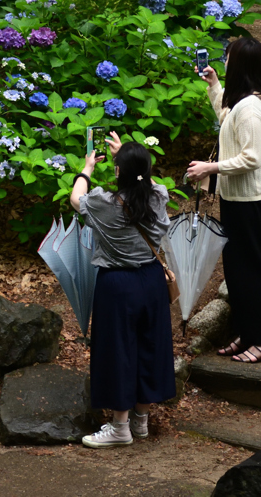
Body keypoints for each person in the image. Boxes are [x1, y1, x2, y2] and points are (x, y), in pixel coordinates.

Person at [70, 134, 175, 448]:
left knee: (118, 351)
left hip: (118, 285)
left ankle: (120, 427)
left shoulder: (105, 204)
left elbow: (76, 198)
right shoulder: (158, 196)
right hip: (152, 281)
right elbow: (147, 181)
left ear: (119, 173)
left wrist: (87, 168)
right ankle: (141, 420)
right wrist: (131, 161)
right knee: (149, 346)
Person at [186, 37, 261, 364]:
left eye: (227, 58)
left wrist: (210, 168)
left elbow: (252, 158)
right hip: (236, 197)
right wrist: (214, 86)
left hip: (248, 201)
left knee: (253, 270)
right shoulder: (245, 100)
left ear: (238, 64)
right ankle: (247, 332)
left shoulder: (251, 108)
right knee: (238, 271)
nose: (223, 62)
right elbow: (228, 121)